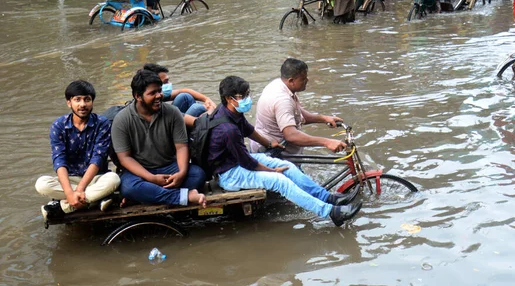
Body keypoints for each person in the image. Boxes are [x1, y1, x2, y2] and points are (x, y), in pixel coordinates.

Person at [207, 76, 362, 227]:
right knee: (280, 181)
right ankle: (331, 212)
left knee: (287, 166)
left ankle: (328, 198)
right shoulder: (228, 130)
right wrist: (272, 171)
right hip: (230, 173)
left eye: (248, 94)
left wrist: (268, 143)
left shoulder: (232, 112)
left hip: (238, 161)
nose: (247, 99)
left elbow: (249, 130)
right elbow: (248, 163)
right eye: (243, 96)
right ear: (229, 98)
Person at [111, 70, 207, 206]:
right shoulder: (122, 120)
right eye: (152, 93)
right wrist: (150, 178)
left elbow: (181, 147)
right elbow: (125, 158)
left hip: (169, 168)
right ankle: (184, 196)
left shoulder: (173, 113)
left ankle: (147, 196)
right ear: (138, 96)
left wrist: (182, 172)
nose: (159, 96)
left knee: (197, 175)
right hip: (140, 171)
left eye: (159, 91)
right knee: (128, 187)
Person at [36, 81, 120, 221]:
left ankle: (63, 207)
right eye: (77, 100)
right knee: (42, 184)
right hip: (71, 179)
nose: (82, 104)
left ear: (92, 102)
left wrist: (80, 190)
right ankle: (93, 200)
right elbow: (59, 160)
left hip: (95, 178)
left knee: (114, 179)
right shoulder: (59, 125)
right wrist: (69, 192)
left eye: (87, 99)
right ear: (69, 103)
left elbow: (97, 159)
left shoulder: (102, 123)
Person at [250, 58, 346, 155]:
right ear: (291, 80)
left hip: (274, 150)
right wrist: (327, 142)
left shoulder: (279, 84)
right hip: (273, 155)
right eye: (303, 79)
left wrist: (324, 119)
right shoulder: (282, 100)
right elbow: (291, 136)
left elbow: (298, 114)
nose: (307, 80)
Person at [143, 63, 217, 117]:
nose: (169, 84)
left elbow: (183, 90)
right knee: (198, 108)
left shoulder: (155, 94)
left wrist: (207, 99)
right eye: (165, 82)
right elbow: (183, 120)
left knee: (185, 96)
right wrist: (210, 111)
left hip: (174, 120)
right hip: (169, 129)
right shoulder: (148, 104)